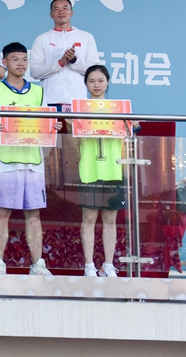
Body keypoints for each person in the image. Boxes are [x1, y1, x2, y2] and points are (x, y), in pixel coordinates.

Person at [0, 42, 62, 275]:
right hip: (6, 162)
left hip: (33, 162)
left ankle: (37, 264)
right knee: (2, 213)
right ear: (4, 62)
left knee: (34, 215)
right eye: (15, 59)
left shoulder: (39, 91)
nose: (21, 63)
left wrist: (53, 126)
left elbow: (45, 124)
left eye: (24, 59)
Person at [73, 65, 127, 277]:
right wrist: (71, 125)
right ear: (86, 84)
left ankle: (108, 265)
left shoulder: (119, 109)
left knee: (110, 221)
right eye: (91, 81)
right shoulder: (80, 110)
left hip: (113, 170)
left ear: (108, 82)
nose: (96, 85)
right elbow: (74, 144)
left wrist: (131, 124)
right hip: (89, 171)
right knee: (88, 220)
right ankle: (89, 265)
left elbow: (129, 136)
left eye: (100, 80)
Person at [30, 0, 100, 110]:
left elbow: (95, 70)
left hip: (78, 102)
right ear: (51, 15)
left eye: (65, 8)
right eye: (56, 9)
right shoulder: (42, 39)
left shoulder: (86, 37)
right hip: (49, 101)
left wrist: (74, 60)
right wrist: (60, 63)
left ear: (71, 13)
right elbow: (35, 71)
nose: (61, 12)